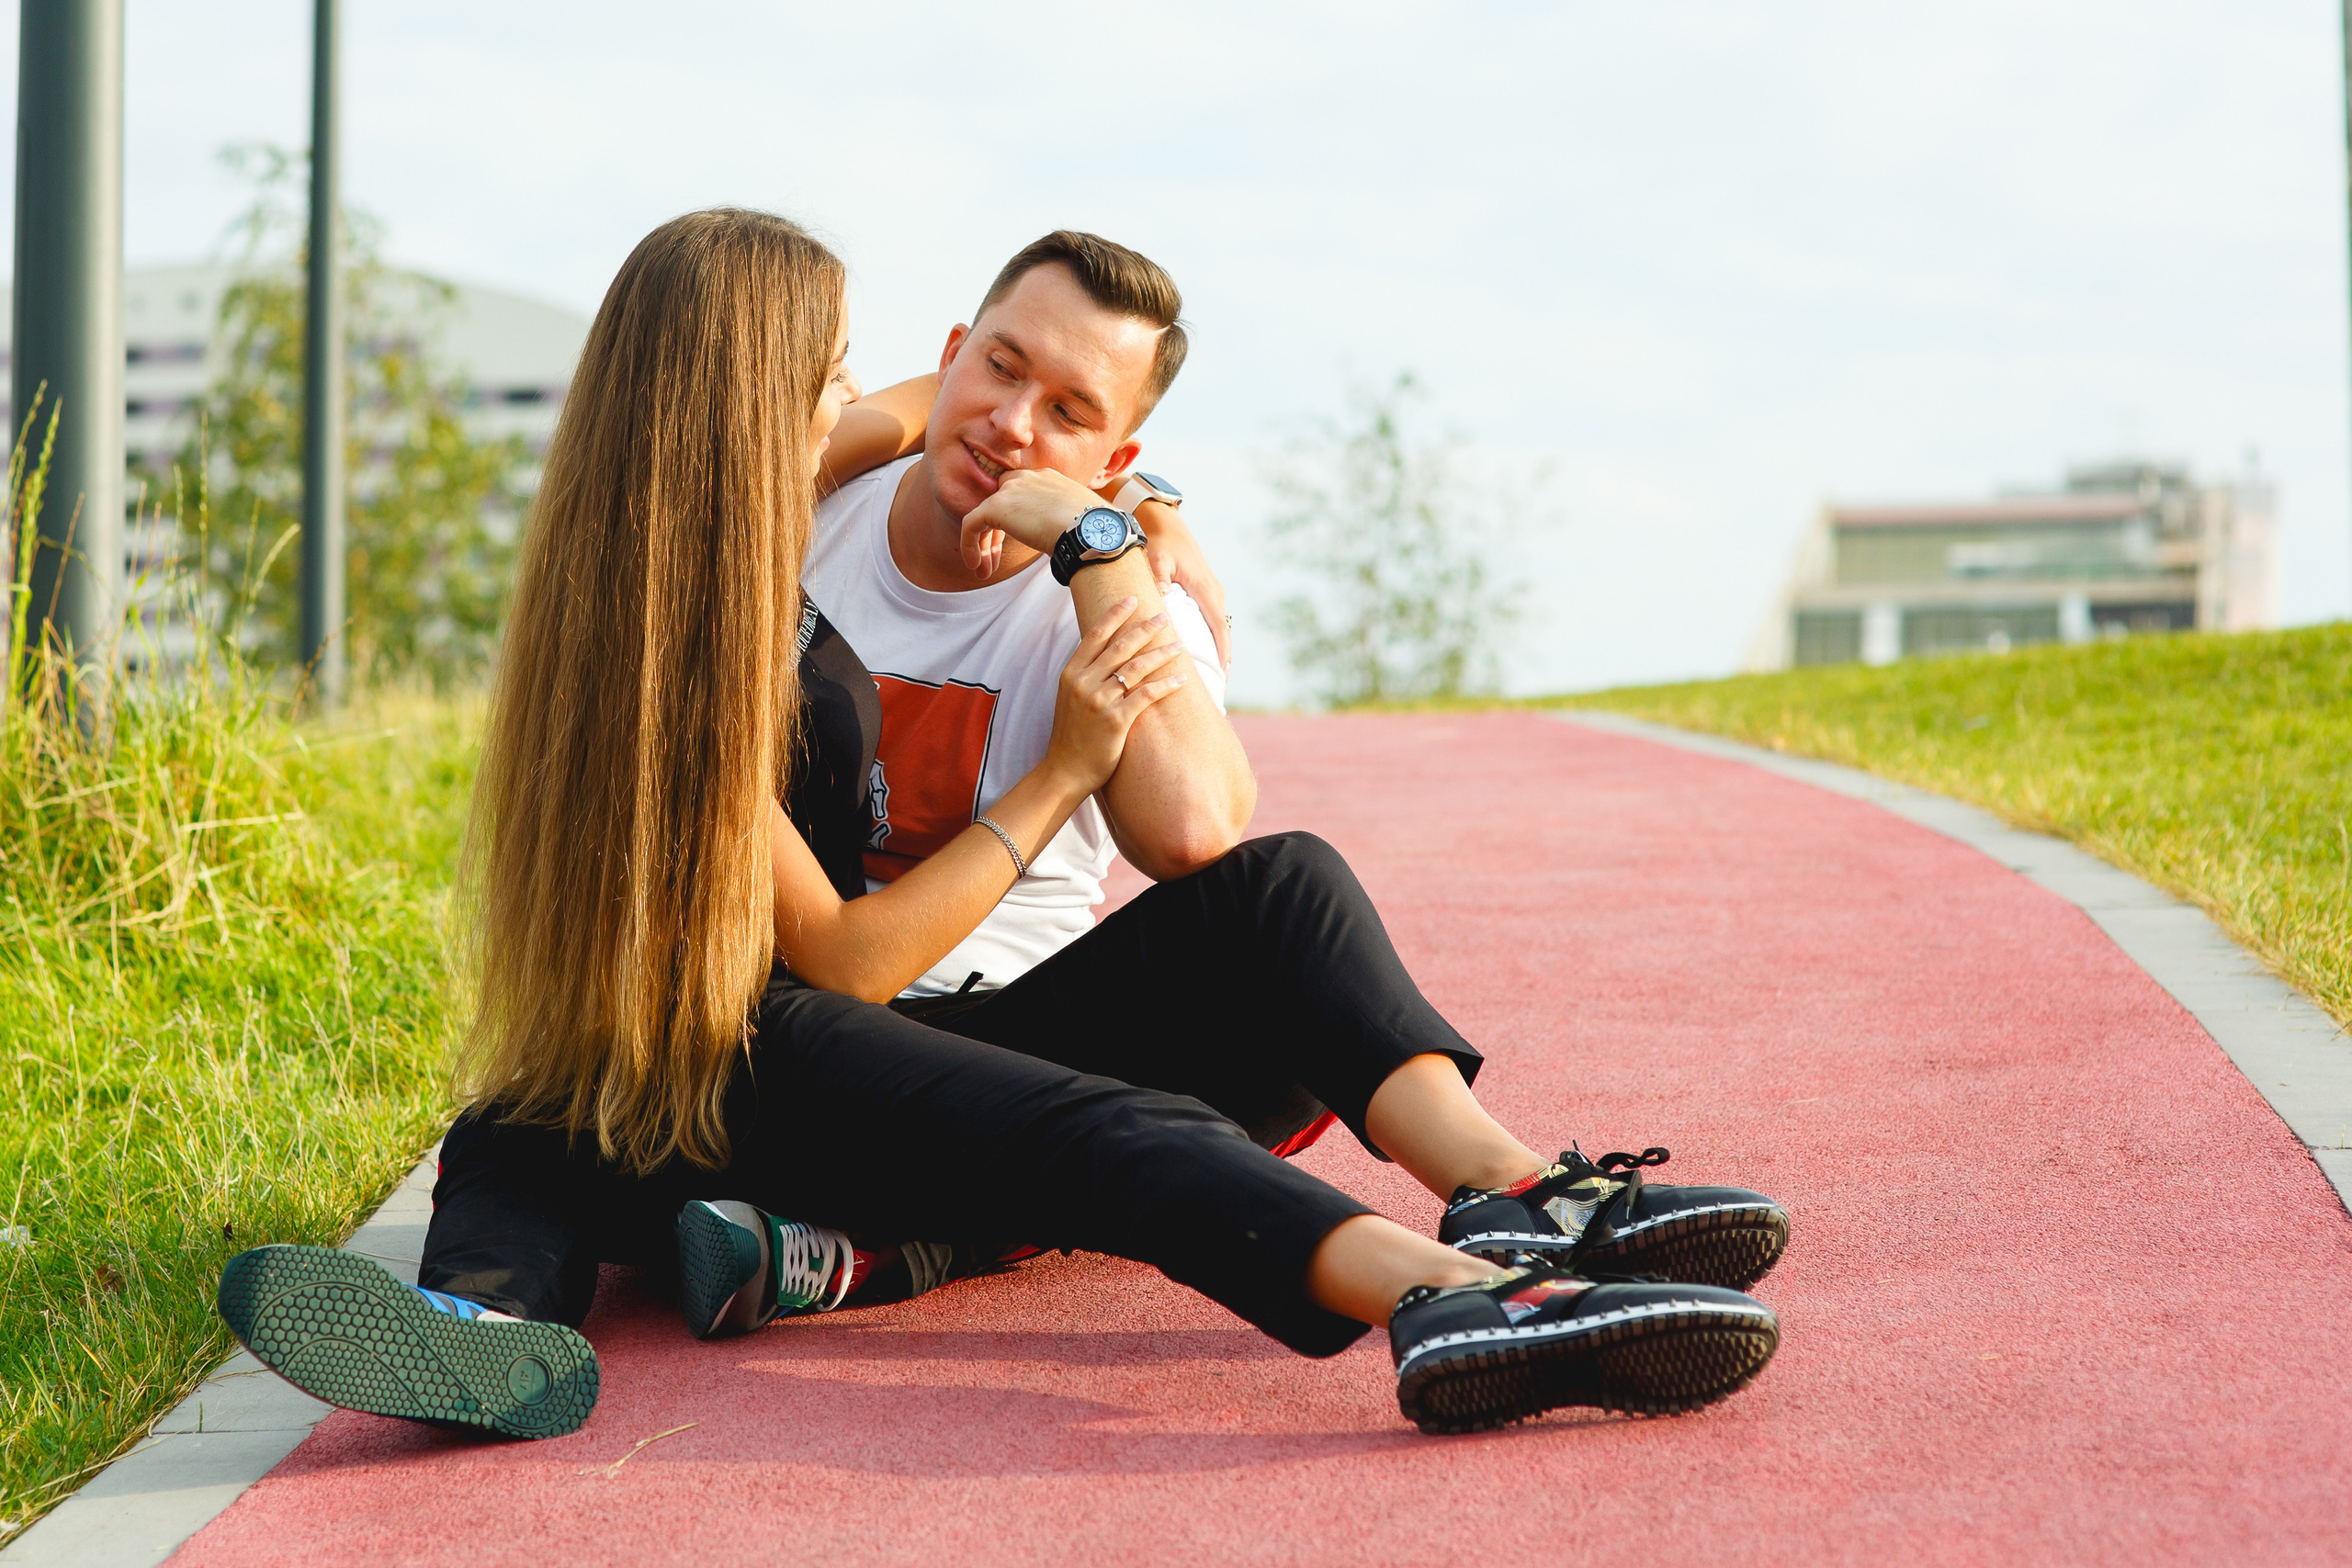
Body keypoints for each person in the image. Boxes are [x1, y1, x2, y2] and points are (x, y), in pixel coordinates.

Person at [216, 210, 1788, 1445]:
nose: (890, 415)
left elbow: (1191, 834)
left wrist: (1117, 526)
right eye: (867, 379)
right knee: (1088, 1141)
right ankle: (1448, 1299)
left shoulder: (665, 573)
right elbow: (835, 960)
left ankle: (533, 1322)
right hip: (783, 1030)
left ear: (1112, 443)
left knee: (527, 1119)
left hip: (815, 1040)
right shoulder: (729, 604)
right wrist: (1056, 770)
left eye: (1071, 410)